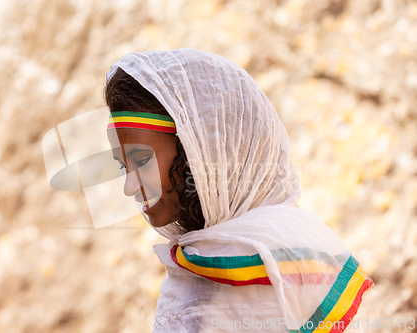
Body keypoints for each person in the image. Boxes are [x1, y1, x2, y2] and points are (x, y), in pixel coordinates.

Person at [104, 47, 372, 333]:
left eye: (141, 161)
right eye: (124, 167)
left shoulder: (192, 298)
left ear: (199, 154)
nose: (129, 187)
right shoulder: (306, 244)